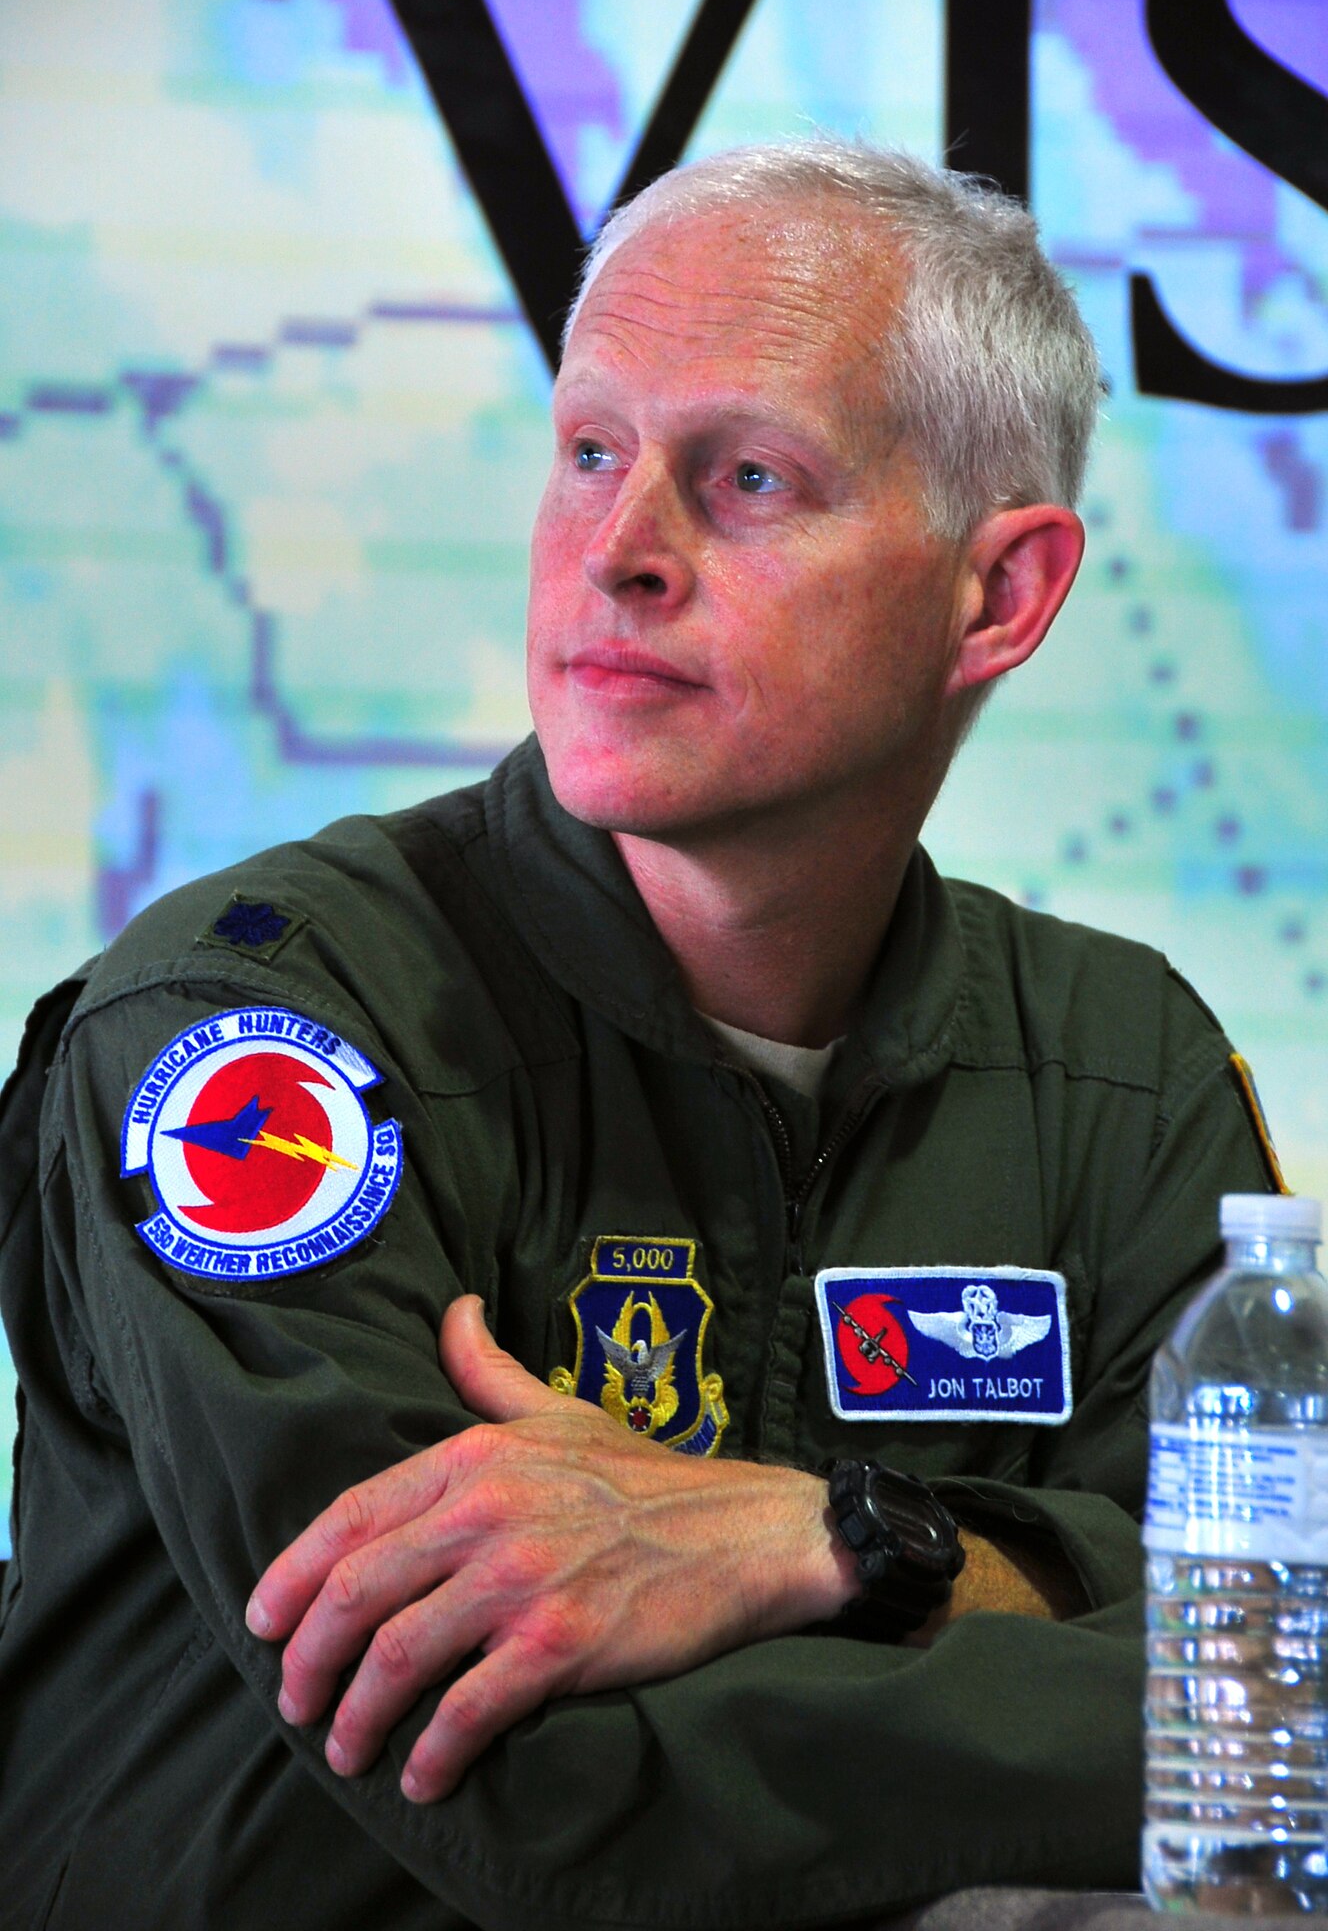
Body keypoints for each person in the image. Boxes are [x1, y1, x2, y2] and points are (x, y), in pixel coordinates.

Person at [0, 142, 1281, 1931]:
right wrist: (994, 1588)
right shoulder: (254, 1031)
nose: (618, 552)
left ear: (999, 598)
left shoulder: (1119, 1066)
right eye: (591, 450)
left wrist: (806, 1542)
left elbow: (1274, 1665)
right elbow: (513, 1765)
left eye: (747, 477)